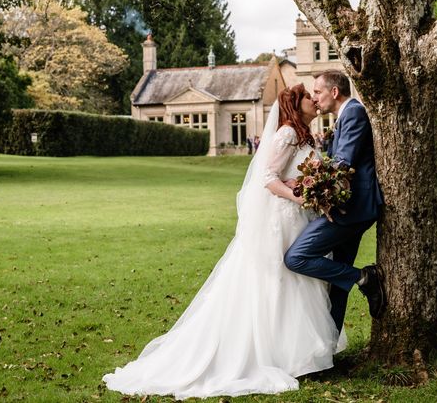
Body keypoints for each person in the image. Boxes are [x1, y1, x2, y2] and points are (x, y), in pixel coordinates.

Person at [103, 84, 345, 399]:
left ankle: (299, 354)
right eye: (307, 97)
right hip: (281, 218)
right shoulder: (286, 134)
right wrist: (298, 196)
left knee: (297, 278)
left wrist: (309, 185)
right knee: (279, 279)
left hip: (294, 218)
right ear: (294, 105)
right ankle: (281, 355)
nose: (314, 100)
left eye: (315, 96)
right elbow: (268, 178)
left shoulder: (304, 136)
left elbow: (294, 173)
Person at [284, 70, 386, 331]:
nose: (315, 98)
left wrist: (312, 191)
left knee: (297, 256)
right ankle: (329, 349)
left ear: (334, 92)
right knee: (337, 279)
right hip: (352, 208)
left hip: (350, 209)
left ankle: (365, 278)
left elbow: (343, 163)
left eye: (317, 92)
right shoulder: (344, 116)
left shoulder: (352, 112)